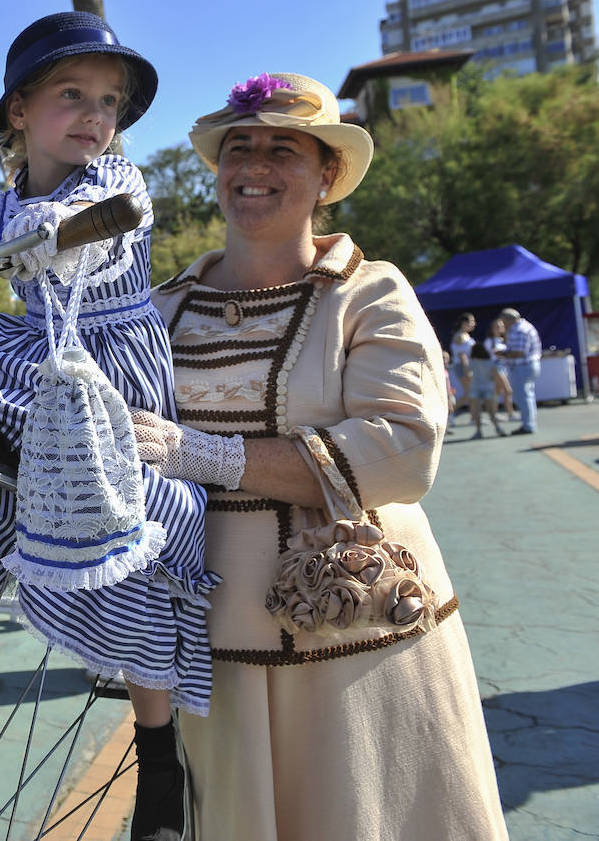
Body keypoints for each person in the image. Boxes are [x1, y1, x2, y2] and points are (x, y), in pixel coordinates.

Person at [0, 12, 212, 841]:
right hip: (25, 352)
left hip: (99, 364)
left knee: (131, 528)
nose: (96, 115)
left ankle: (158, 752)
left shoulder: (116, 184)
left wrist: (37, 237)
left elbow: (85, 232)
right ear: (18, 109)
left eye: (109, 100)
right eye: (72, 95)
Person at [136, 72, 506, 840]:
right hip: (212, 650)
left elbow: (403, 452)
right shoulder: (162, 306)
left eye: (284, 148)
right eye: (240, 146)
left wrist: (200, 452)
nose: (255, 164)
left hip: (359, 635)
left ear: (327, 176)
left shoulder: (371, 292)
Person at [499, 306, 542, 435]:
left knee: (523, 397)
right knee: (527, 396)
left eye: (504, 322)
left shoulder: (519, 330)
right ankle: (529, 423)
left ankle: (528, 425)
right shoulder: (525, 327)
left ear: (509, 320)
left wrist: (503, 354)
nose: (503, 325)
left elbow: (519, 352)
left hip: (522, 366)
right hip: (528, 366)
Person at [466, 339, 507, 438]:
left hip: (476, 387)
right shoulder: (490, 361)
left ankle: (478, 431)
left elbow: (467, 371)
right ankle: (497, 427)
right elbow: (493, 375)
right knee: (491, 410)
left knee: (476, 410)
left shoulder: (473, 361)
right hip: (488, 386)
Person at [484, 316, 517, 420]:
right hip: (495, 368)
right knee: (508, 391)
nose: (499, 328)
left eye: (501, 326)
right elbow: (486, 356)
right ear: (492, 328)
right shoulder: (489, 341)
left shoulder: (503, 341)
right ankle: (510, 414)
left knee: (498, 391)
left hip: (503, 368)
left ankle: (493, 414)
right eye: (497, 327)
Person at [448, 312, 476, 413]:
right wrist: (467, 370)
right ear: (464, 323)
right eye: (471, 321)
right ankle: (450, 412)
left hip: (467, 366)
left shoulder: (465, 335)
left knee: (473, 393)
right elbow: (462, 356)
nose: (474, 323)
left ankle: (474, 416)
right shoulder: (460, 337)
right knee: (469, 393)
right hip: (463, 367)